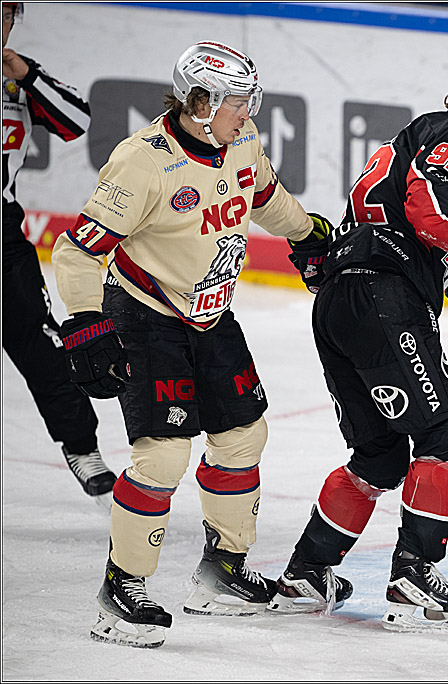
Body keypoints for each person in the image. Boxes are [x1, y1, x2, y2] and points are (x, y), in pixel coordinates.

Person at [50, 41, 327, 649]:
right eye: (235, 100)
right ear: (198, 102)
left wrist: (310, 235)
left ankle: (221, 573)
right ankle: (120, 591)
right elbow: (76, 251)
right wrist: (86, 328)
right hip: (146, 316)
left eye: (250, 99)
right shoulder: (143, 163)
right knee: (164, 454)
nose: (247, 111)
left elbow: (265, 200)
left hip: (211, 312)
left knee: (243, 435)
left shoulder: (243, 140)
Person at [269, 53, 448, 631]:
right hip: (383, 301)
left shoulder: (422, 132)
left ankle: (307, 573)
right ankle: (415, 576)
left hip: (343, 301)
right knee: (443, 435)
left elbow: (405, 221)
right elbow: (424, 209)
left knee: (380, 455)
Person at [2, 1, 116, 502]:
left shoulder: (17, 81)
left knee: (44, 344)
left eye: (8, 14)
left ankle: (81, 445)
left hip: (4, 235)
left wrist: (24, 73)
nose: (2, 24)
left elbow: (75, 121)